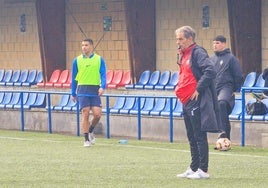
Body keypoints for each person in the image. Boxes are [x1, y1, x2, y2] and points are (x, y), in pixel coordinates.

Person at [175, 26, 220, 179]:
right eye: (177, 39)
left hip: (195, 100)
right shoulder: (183, 54)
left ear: (189, 38)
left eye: (180, 39)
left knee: (199, 135)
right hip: (186, 100)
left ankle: (203, 169)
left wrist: (198, 89)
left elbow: (210, 71)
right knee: (191, 135)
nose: (178, 42)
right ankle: (194, 167)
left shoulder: (198, 52)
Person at [71, 38, 106, 147]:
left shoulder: (99, 59)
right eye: (82, 45)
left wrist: (102, 86)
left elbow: (103, 74)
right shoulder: (77, 60)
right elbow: (74, 78)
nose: (84, 47)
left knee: (97, 114)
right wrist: (73, 92)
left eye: (86, 45)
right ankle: (86, 139)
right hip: (82, 89)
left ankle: (90, 130)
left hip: (94, 90)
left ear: (91, 46)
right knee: (85, 112)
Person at [210, 35, 243, 140]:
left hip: (227, 88)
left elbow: (239, 76)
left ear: (224, 44)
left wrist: (235, 89)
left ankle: (223, 133)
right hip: (214, 88)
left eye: (217, 43)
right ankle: (223, 136)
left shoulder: (231, 58)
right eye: (214, 43)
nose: (215, 45)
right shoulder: (211, 59)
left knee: (222, 103)